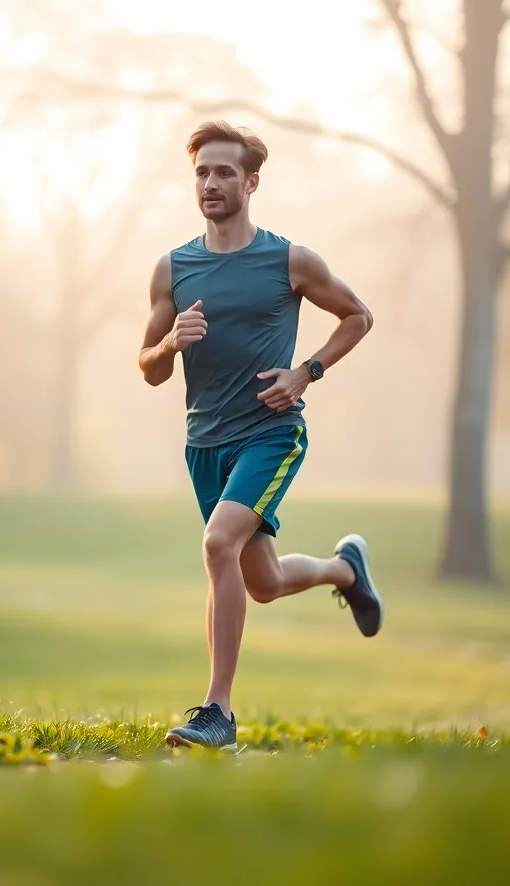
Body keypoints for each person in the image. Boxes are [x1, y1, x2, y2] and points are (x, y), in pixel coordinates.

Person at [138, 120, 383, 750]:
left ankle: (216, 712)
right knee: (263, 584)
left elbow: (359, 316)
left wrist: (306, 371)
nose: (211, 183)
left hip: (271, 434)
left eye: (224, 172)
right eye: (201, 172)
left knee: (218, 543)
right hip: (204, 445)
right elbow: (149, 369)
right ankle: (344, 571)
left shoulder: (289, 261)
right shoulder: (174, 268)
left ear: (251, 181)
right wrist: (169, 342)